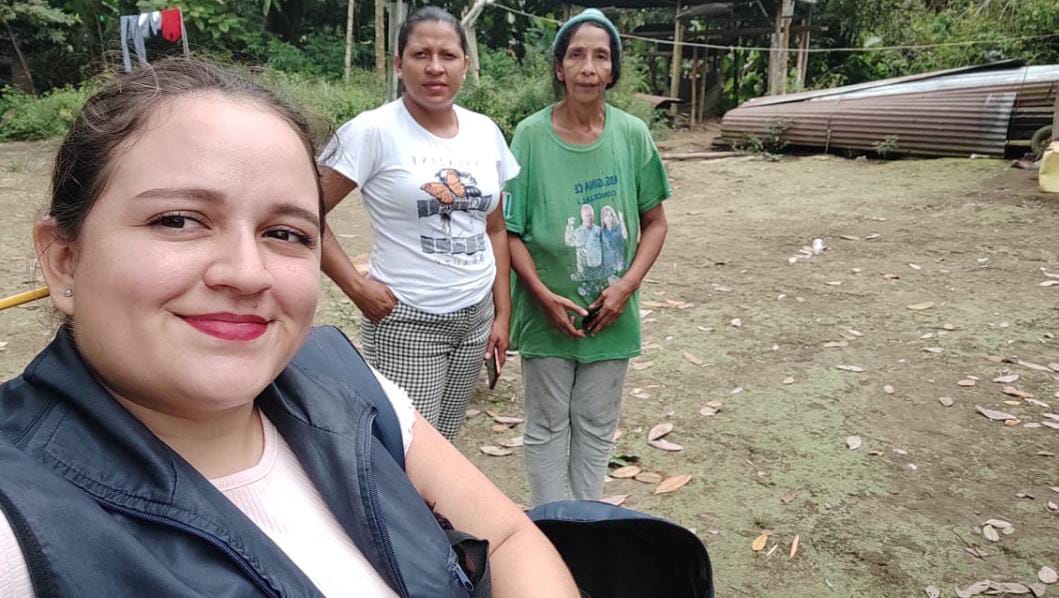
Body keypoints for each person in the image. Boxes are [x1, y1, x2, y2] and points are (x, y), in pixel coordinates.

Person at [0, 58, 579, 597]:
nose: (247, 274)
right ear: (65, 260)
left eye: (285, 233)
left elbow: (509, 538)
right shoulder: (21, 525)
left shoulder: (344, 381)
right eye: (178, 220)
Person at [318, 6, 517, 440]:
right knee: (407, 447)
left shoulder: (485, 132)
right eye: (420, 54)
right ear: (398, 63)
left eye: (448, 55)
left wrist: (502, 314)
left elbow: (495, 228)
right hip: (408, 320)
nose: (435, 67)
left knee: (445, 441)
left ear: (465, 63)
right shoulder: (372, 131)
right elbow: (302, 213)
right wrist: (356, 288)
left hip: (475, 316)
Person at [505, 9, 671, 506]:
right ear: (559, 68)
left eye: (601, 56)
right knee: (546, 425)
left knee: (596, 426)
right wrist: (541, 294)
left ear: (613, 70)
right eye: (576, 55)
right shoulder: (529, 136)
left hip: (611, 316)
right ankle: (552, 528)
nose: (588, 67)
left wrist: (625, 287)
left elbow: (655, 223)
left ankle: (587, 529)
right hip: (546, 315)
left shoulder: (632, 135)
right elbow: (509, 233)